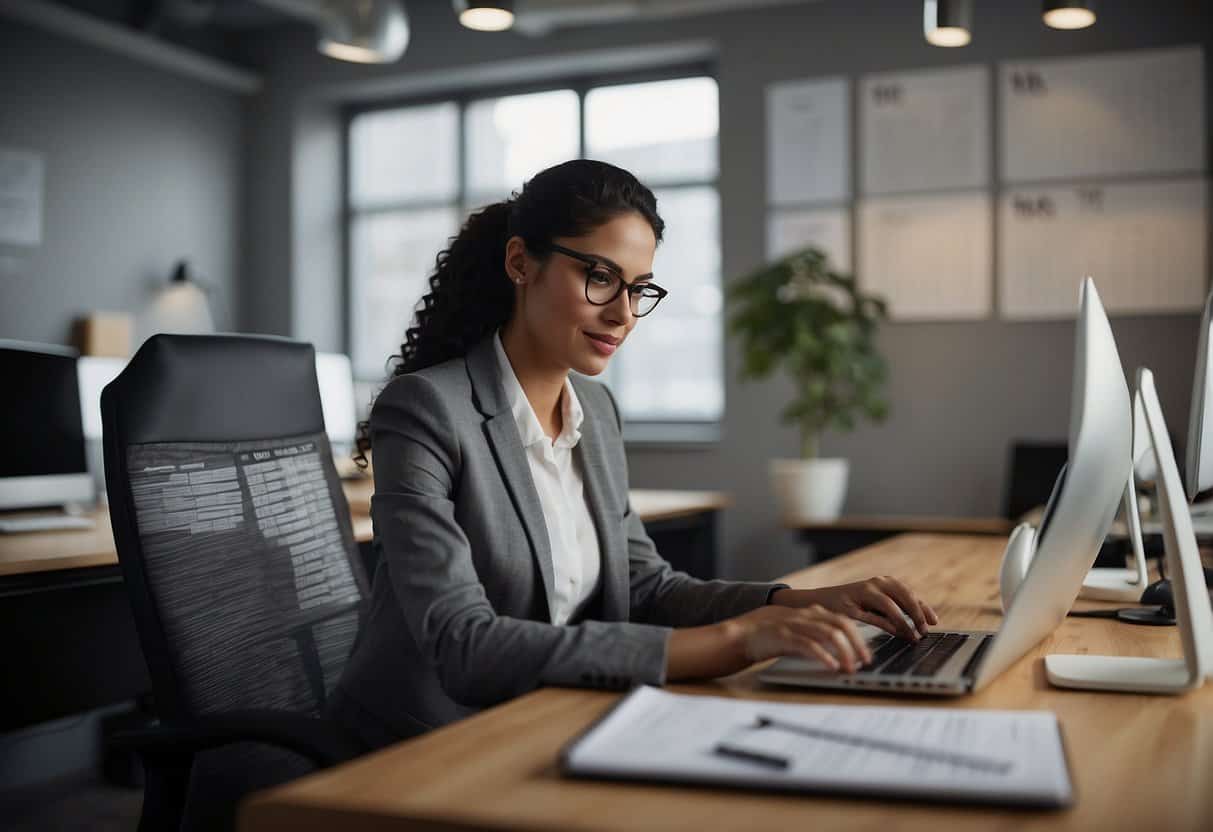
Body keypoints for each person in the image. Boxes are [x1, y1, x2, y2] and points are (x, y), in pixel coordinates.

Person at [331, 159, 938, 751]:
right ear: (521, 262)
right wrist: (736, 641)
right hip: (423, 744)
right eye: (600, 276)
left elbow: (646, 587)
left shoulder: (595, 410)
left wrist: (796, 603)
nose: (622, 314)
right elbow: (465, 645)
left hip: (552, 718)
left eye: (639, 288)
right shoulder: (426, 409)